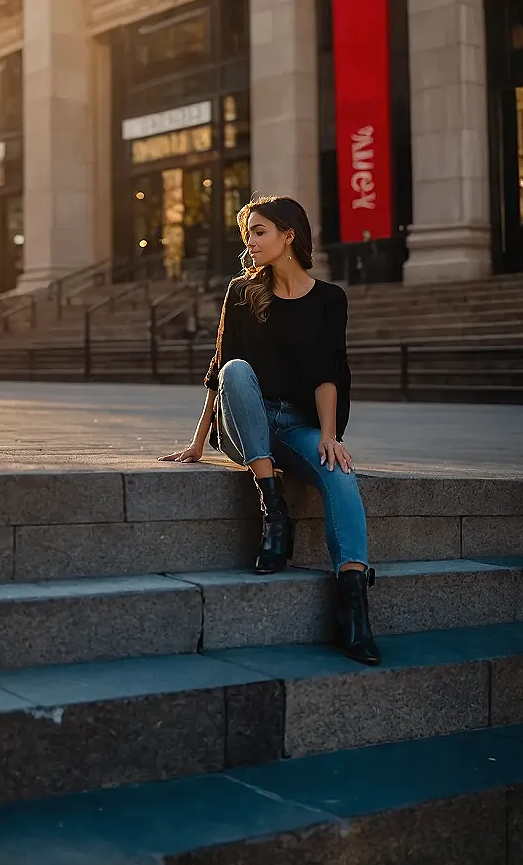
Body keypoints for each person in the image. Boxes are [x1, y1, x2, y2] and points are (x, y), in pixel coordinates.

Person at [160, 195, 379, 666]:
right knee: (237, 370)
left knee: (340, 475)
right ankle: (274, 511)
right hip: (245, 425)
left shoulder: (329, 299)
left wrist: (328, 436)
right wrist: (198, 441)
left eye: (259, 232)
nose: (251, 243)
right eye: (248, 235)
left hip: (296, 426)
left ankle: (353, 604)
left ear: (289, 235)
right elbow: (220, 368)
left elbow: (329, 373)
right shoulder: (242, 292)